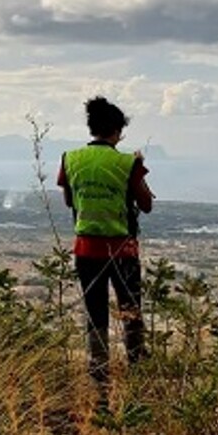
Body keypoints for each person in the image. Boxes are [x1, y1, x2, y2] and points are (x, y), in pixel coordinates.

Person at [57, 96, 154, 408]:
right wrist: (139, 167)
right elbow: (147, 204)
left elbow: (70, 201)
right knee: (130, 311)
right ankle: (138, 374)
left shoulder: (69, 158)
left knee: (95, 315)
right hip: (122, 251)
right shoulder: (128, 163)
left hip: (86, 250)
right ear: (116, 131)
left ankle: (100, 388)